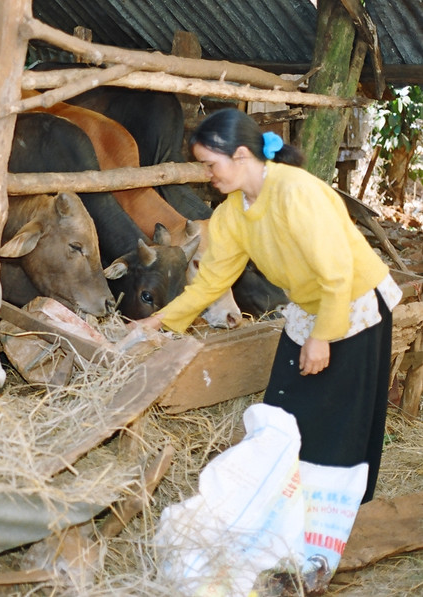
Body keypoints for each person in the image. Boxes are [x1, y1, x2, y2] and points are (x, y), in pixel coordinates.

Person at [135, 108, 401, 503]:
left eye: (211, 164)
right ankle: (288, 497)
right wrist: (156, 322)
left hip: (356, 300)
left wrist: (322, 337)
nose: (208, 174)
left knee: (344, 414)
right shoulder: (232, 214)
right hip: (312, 305)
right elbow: (211, 281)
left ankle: (341, 509)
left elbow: (337, 271)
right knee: (284, 405)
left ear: (240, 155)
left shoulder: (296, 191)